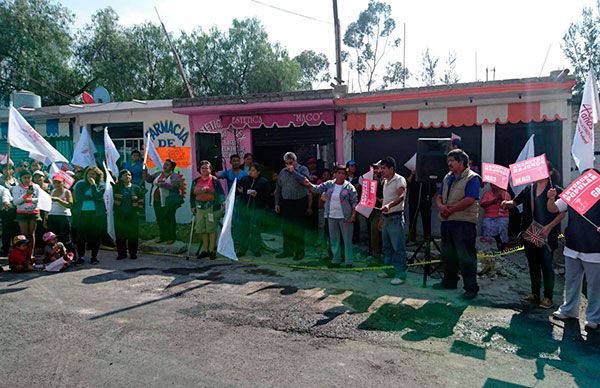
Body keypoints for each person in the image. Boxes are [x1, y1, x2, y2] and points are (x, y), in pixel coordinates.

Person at [502, 170, 564, 309]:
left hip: (546, 234)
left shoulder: (556, 190)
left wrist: (548, 227)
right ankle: (534, 294)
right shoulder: (529, 188)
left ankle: (548, 297)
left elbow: (561, 214)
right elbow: (514, 202)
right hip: (529, 232)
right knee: (533, 265)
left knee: (547, 266)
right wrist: (505, 201)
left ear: (550, 172)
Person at [547, 170, 600, 330]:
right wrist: (550, 198)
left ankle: (594, 318)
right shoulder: (573, 194)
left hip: (594, 250)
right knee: (571, 281)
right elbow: (554, 209)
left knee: (594, 286)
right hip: (572, 247)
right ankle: (569, 310)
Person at [433, 149, 481, 299]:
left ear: (461, 162)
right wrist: (441, 207)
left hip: (464, 222)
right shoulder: (448, 177)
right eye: (449, 161)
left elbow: (470, 199)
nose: (449, 163)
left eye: (452, 160)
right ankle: (449, 281)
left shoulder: (472, 178)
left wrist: (451, 209)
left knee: (466, 255)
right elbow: (439, 196)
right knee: (448, 254)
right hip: (447, 221)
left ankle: (471, 287)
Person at [304, 164, 358, 268]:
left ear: (346, 175)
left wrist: (353, 215)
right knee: (334, 239)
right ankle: (336, 259)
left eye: (343, 173)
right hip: (332, 215)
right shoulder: (329, 184)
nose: (341, 175)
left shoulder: (349, 187)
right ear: (335, 174)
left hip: (345, 216)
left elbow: (354, 202)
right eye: (339, 173)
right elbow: (317, 189)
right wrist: (309, 184)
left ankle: (348, 261)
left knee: (347, 240)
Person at [274, 152, 311, 260]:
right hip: (286, 203)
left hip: (299, 202)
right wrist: (276, 203)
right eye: (286, 163)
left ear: (295, 161)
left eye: (291, 162)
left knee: (298, 228)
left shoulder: (303, 169)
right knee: (286, 228)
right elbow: (278, 188)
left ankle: (300, 252)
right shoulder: (282, 172)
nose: (288, 165)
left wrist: (294, 172)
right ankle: (287, 250)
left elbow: (306, 182)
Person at [377, 157, 408, 285]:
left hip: (395, 217)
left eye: (383, 168)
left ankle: (400, 274)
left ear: (391, 168)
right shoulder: (385, 181)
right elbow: (385, 200)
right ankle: (388, 270)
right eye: (380, 168)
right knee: (387, 247)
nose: (381, 171)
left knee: (398, 248)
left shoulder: (399, 179)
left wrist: (390, 205)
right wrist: (381, 218)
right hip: (386, 218)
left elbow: (401, 196)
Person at [190, 160, 225, 259]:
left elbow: (221, 194)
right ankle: (205, 250)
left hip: (212, 208)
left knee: (212, 229)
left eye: (206, 168)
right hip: (199, 208)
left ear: (210, 169)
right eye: (202, 168)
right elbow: (192, 195)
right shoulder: (196, 181)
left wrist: (222, 204)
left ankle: (211, 250)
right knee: (202, 229)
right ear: (200, 170)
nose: (204, 169)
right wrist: (192, 206)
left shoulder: (214, 181)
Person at [72, 166, 106, 265]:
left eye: (93, 174)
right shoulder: (80, 184)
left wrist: (93, 185)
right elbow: (79, 198)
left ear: (98, 175)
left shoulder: (101, 185)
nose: (91, 176)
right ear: (85, 175)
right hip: (82, 214)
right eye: (89, 174)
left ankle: (94, 257)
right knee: (81, 237)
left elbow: (98, 195)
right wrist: (92, 197)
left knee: (95, 236)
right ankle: (81, 256)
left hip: (96, 214)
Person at [236, 163, 271, 257]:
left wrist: (257, 195)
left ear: (258, 172)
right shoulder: (244, 179)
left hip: (257, 209)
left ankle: (256, 249)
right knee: (244, 229)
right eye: (250, 170)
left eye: (253, 170)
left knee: (256, 229)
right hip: (245, 208)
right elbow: (237, 188)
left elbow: (267, 197)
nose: (250, 172)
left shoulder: (264, 182)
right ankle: (242, 248)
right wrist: (241, 191)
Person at [145, 159, 182, 244]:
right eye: (164, 164)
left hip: (169, 202)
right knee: (160, 219)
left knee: (170, 219)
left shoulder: (175, 176)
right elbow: (148, 179)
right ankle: (163, 236)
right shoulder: (158, 174)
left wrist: (163, 184)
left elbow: (175, 186)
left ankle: (171, 237)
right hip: (157, 201)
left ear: (172, 167)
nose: (165, 166)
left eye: (167, 165)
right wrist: (145, 170)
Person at [114, 170, 145, 260]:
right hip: (120, 215)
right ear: (121, 177)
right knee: (120, 234)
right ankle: (121, 253)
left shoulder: (136, 188)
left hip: (133, 215)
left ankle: (133, 253)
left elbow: (141, 200)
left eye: (129, 175)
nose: (127, 176)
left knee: (133, 235)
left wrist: (139, 210)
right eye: (125, 175)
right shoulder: (117, 187)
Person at [12, 170, 41, 261]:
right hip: (22, 213)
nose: (27, 179)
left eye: (29, 177)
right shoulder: (16, 188)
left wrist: (29, 200)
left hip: (33, 212)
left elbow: (39, 199)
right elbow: (16, 202)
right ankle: (24, 254)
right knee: (24, 234)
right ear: (20, 178)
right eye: (24, 178)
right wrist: (26, 195)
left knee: (32, 234)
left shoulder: (36, 187)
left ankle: (31, 254)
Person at [45, 174, 74, 254]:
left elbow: (70, 205)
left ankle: (71, 255)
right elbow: (48, 206)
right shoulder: (52, 191)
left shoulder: (67, 192)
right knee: (53, 238)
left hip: (64, 216)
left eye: (59, 182)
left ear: (63, 182)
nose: (57, 184)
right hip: (52, 216)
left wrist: (58, 200)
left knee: (66, 237)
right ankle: (57, 255)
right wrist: (45, 218)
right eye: (55, 182)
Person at [480, 184, 511, 250]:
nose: (493, 186)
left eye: (495, 185)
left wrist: (502, 199)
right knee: (486, 227)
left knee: (503, 227)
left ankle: (504, 244)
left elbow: (509, 205)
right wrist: (493, 201)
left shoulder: (505, 193)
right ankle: (488, 246)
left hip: (502, 216)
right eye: (492, 185)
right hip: (489, 216)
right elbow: (482, 204)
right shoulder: (487, 194)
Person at [368, 161, 384, 259]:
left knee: (376, 229)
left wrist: (378, 199)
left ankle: (378, 253)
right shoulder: (372, 180)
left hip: (381, 209)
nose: (375, 170)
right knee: (372, 231)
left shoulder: (385, 180)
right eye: (374, 168)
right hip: (371, 209)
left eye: (377, 168)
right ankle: (374, 252)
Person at [346, 160, 362, 243]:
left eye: (354, 166)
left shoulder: (359, 177)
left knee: (356, 219)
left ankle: (355, 238)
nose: (353, 168)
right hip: (345, 202)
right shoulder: (344, 177)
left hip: (356, 202)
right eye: (351, 166)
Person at [0, 177, 15, 257]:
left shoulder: (3, 189)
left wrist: (6, 202)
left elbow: (5, 198)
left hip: (5, 212)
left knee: (6, 231)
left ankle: (6, 250)